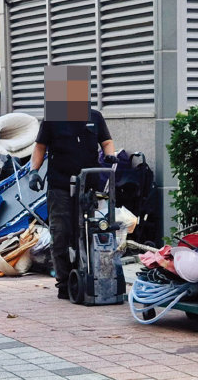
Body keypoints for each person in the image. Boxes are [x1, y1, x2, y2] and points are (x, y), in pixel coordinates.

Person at [28, 108, 116, 299]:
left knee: (87, 232)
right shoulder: (52, 118)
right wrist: (33, 172)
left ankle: (89, 276)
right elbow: (40, 147)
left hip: (88, 185)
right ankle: (64, 282)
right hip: (60, 185)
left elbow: (107, 141)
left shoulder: (95, 117)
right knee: (60, 233)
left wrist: (110, 155)